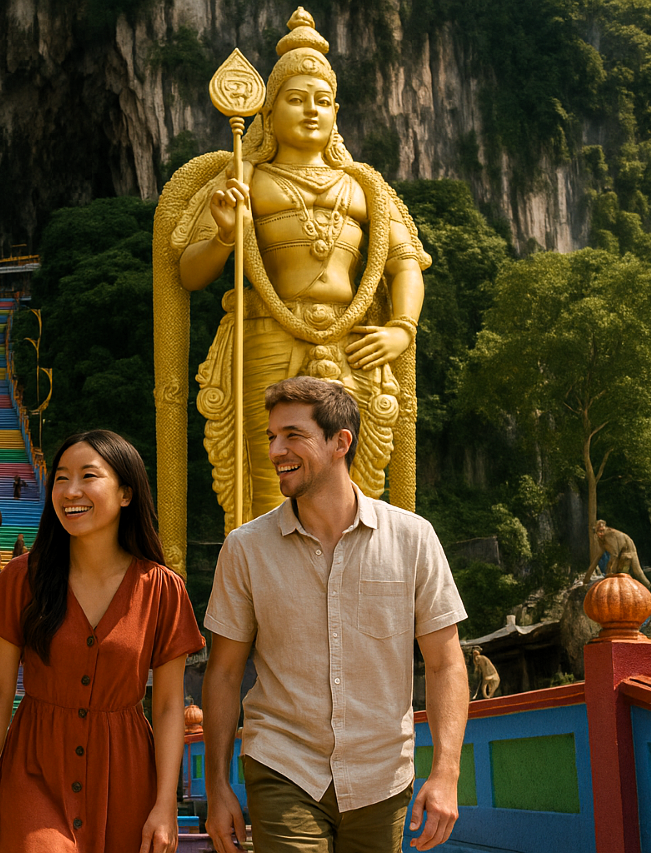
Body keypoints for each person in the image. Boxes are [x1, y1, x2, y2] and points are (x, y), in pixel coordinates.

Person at [155, 8, 431, 560]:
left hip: (352, 345)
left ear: (336, 112)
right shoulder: (245, 177)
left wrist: (401, 329)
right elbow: (187, 272)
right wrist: (226, 236)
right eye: (295, 98)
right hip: (266, 337)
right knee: (267, 481)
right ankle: (265, 608)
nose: (310, 110)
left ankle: (354, 592)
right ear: (268, 110)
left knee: (354, 484)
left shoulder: (364, 186)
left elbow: (403, 264)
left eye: (322, 100)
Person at [202, 377, 469, 853]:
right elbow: (223, 672)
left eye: (292, 435)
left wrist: (446, 772)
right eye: (270, 437)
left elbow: (447, 663)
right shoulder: (245, 549)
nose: (275, 450)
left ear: (339, 441)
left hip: (382, 777)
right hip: (283, 764)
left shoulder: (413, 539)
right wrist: (217, 785)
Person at [0, 429, 204, 853]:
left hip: (126, 772)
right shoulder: (24, 578)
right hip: (35, 765)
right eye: (60, 478)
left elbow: (169, 705)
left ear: (126, 494)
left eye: (87, 476)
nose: (70, 491)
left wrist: (165, 803)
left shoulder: (163, 590)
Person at [584, 519, 651, 589]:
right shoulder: (600, 540)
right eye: (599, 532)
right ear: (596, 532)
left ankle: (648, 586)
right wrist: (586, 579)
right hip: (619, 553)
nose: (601, 534)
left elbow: (615, 554)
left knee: (633, 573)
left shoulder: (609, 535)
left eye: (603, 531)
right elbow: (597, 558)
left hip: (627, 552)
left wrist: (611, 569)